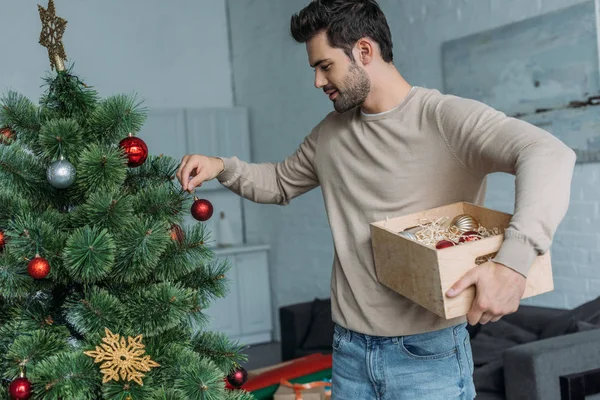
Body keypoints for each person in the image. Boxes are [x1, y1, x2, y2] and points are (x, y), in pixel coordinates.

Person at [176, 0, 576, 398]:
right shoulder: (328, 134)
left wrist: (513, 264)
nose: (317, 81)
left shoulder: (445, 118)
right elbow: (279, 181)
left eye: (325, 65)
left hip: (429, 356)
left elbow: (550, 154)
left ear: (364, 51)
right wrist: (221, 166)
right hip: (348, 352)